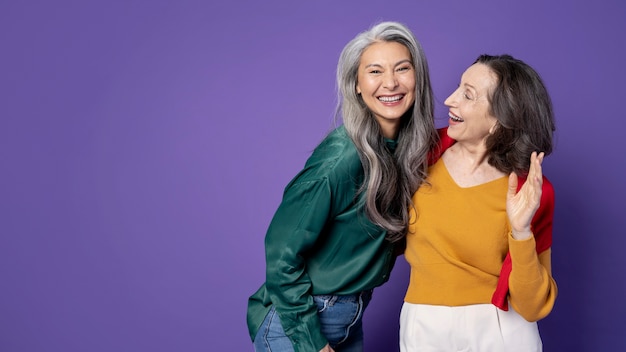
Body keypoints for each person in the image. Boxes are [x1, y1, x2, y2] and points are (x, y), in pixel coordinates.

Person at [247, 21, 438, 352]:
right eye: (375, 71)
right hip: (303, 322)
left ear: (417, 79)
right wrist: (313, 343)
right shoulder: (342, 158)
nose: (390, 82)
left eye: (402, 68)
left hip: (349, 315)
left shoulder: (407, 151)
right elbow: (281, 255)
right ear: (357, 86)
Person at [400, 54, 558, 351]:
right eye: (458, 88)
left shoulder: (532, 191)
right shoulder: (420, 154)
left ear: (500, 120)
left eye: (467, 95)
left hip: (500, 330)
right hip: (422, 323)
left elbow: (533, 306)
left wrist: (522, 231)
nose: (449, 99)